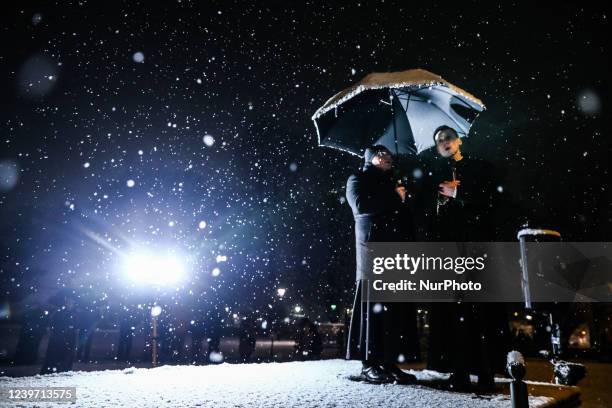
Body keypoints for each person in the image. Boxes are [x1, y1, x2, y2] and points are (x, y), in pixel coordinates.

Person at [426, 126, 509, 392]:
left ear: (459, 140)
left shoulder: (479, 167)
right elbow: (431, 216)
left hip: (477, 249)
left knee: (481, 312)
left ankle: (486, 373)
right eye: (439, 141)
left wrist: (459, 194)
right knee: (456, 313)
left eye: (448, 137)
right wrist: (439, 203)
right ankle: (458, 371)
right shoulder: (435, 175)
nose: (444, 143)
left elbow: (492, 202)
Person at [345, 145, 418, 384]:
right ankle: (369, 364)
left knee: (393, 309)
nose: (388, 158)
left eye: (389, 155)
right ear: (371, 158)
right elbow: (361, 206)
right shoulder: (357, 178)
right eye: (383, 155)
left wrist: (403, 199)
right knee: (372, 307)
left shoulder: (391, 183)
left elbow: (400, 216)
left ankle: (388, 361)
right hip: (372, 250)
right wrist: (393, 196)